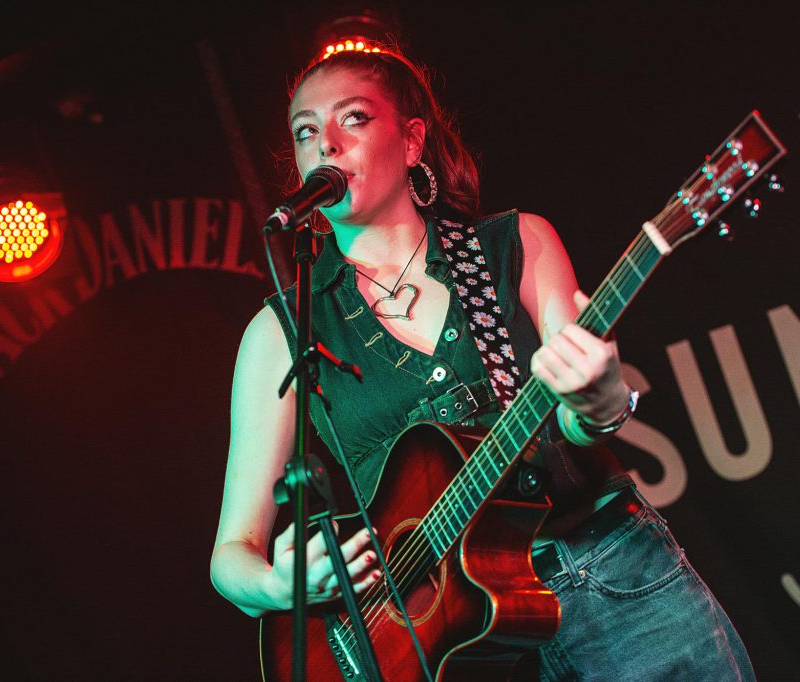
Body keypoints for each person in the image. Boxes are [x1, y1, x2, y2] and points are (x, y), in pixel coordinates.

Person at [210, 45, 754, 681]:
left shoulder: (515, 243)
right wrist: (278, 585)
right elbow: (232, 553)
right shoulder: (281, 330)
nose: (325, 142)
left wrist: (601, 400)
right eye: (305, 131)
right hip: (447, 649)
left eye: (353, 117)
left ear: (412, 141)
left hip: (608, 579)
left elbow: (577, 421)